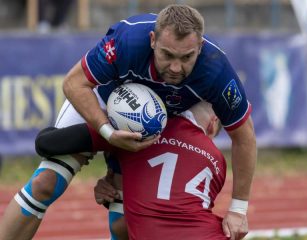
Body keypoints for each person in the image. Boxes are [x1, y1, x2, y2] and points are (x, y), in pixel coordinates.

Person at [0, 4, 256, 240]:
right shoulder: (128, 40)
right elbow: (74, 83)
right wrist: (107, 132)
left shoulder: (217, 69)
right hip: (101, 100)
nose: (176, 68)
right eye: (167, 55)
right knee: (45, 183)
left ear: (200, 47)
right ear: (153, 41)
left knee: (122, 222)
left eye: (187, 57)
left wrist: (238, 208)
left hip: (153, 125)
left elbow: (244, 135)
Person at [35, 102, 230, 239]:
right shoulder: (218, 160)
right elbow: (172, 196)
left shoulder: (141, 133)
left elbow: (46, 143)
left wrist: (115, 188)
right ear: (212, 125)